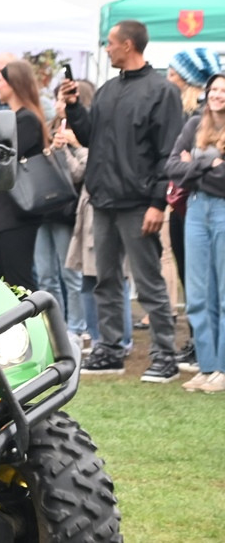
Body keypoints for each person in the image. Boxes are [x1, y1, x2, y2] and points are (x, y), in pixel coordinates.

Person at [63, 20, 183, 381]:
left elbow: (168, 152)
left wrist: (156, 203)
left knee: (148, 283)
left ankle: (165, 354)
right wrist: (73, 108)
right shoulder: (107, 90)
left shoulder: (162, 92)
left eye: (111, 43)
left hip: (138, 202)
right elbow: (88, 138)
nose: (107, 49)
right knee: (106, 280)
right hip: (103, 199)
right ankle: (110, 349)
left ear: (128, 45)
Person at [167, 72, 225, 393]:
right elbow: (171, 168)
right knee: (199, 294)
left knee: (223, 292)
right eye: (214, 89)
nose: (218, 95)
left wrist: (192, 167)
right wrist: (209, 164)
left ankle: (223, 368)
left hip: (222, 209)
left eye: (223, 90)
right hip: (196, 209)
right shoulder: (193, 125)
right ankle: (206, 366)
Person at [0, 60, 47, 291]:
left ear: (15, 83)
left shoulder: (27, 120)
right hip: (2, 214)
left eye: (0, 80)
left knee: (19, 281)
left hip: (16, 214)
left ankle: (32, 326)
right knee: (5, 280)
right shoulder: (15, 118)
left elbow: (1, 159)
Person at [36, 85, 89, 349]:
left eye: (62, 99)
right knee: (45, 274)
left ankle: (76, 327)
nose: (59, 104)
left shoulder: (80, 130)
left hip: (66, 211)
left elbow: (79, 173)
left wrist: (65, 148)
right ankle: (53, 324)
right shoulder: (48, 127)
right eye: (57, 99)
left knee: (70, 274)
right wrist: (49, 150)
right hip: (44, 210)